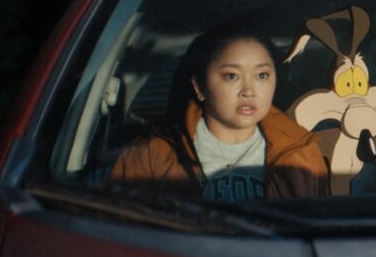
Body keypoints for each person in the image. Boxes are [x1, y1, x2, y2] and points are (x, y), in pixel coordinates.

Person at [105, 25, 328, 200]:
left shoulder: (301, 152)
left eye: (262, 75)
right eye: (231, 76)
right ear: (200, 87)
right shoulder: (151, 155)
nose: (248, 91)